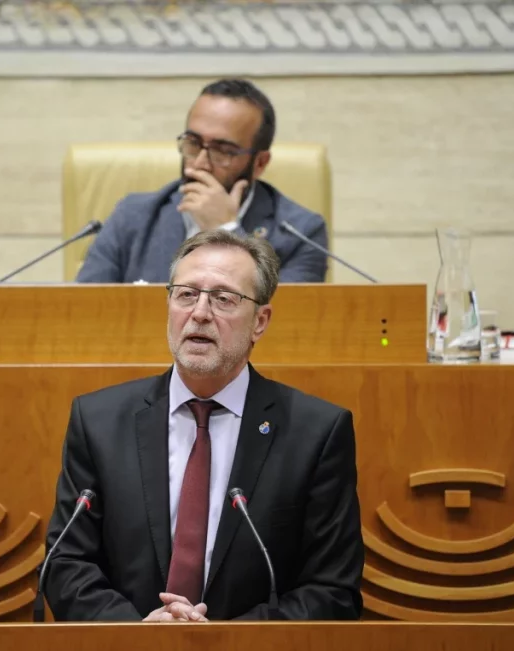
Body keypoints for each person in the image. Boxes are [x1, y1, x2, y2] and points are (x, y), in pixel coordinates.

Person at [43, 229, 363, 622]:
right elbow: (65, 562)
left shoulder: (316, 433)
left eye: (224, 299)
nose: (199, 313)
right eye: (186, 294)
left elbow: (333, 589)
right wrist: (134, 631)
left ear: (260, 321)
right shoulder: (98, 421)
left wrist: (224, 643)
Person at [74, 78, 330, 285]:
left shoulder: (301, 233)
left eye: (223, 150)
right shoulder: (133, 217)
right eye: (193, 144)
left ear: (260, 163)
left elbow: (288, 328)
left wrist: (227, 232)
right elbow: (81, 312)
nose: (198, 164)